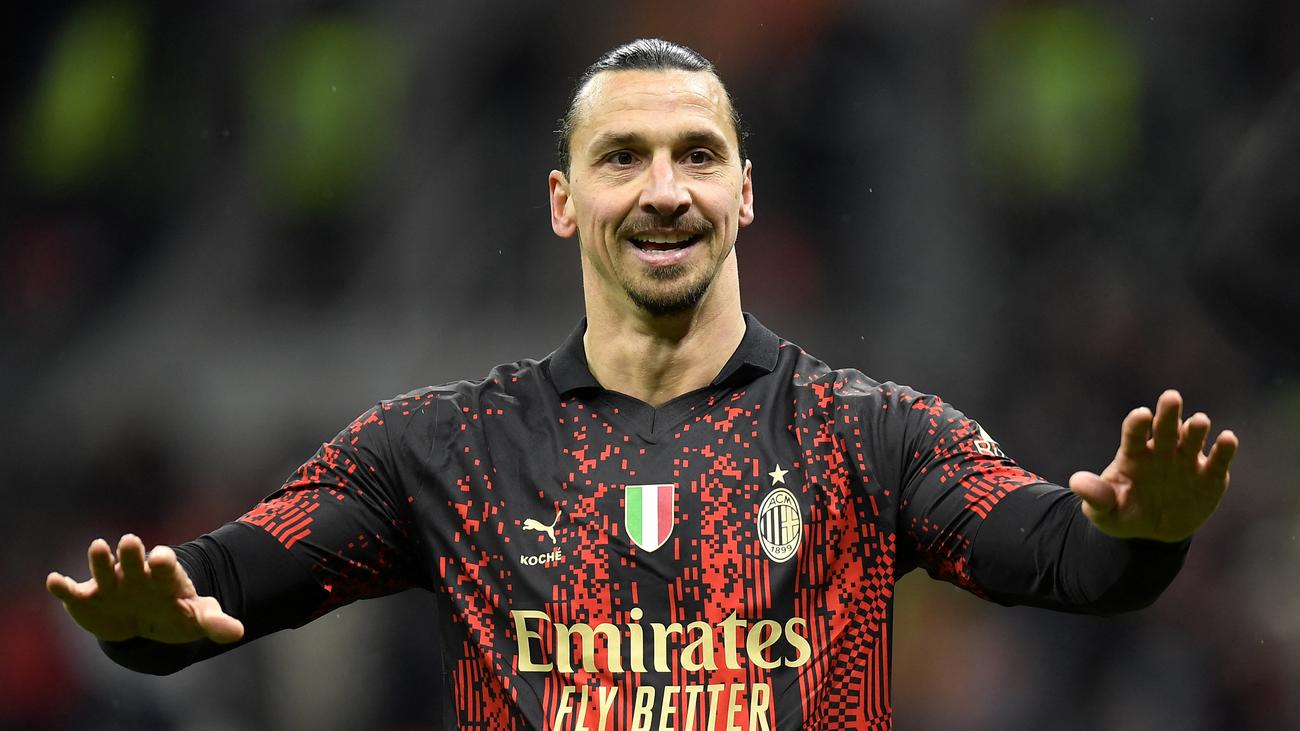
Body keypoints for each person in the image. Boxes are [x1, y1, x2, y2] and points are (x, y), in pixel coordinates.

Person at [47, 39, 1238, 730]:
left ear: (744, 193)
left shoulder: (872, 436)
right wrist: (156, 625)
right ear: (563, 200)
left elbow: (1062, 554)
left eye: (696, 156)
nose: (664, 189)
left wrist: (1143, 532)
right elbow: (218, 583)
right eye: (622, 157)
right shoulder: (440, 450)